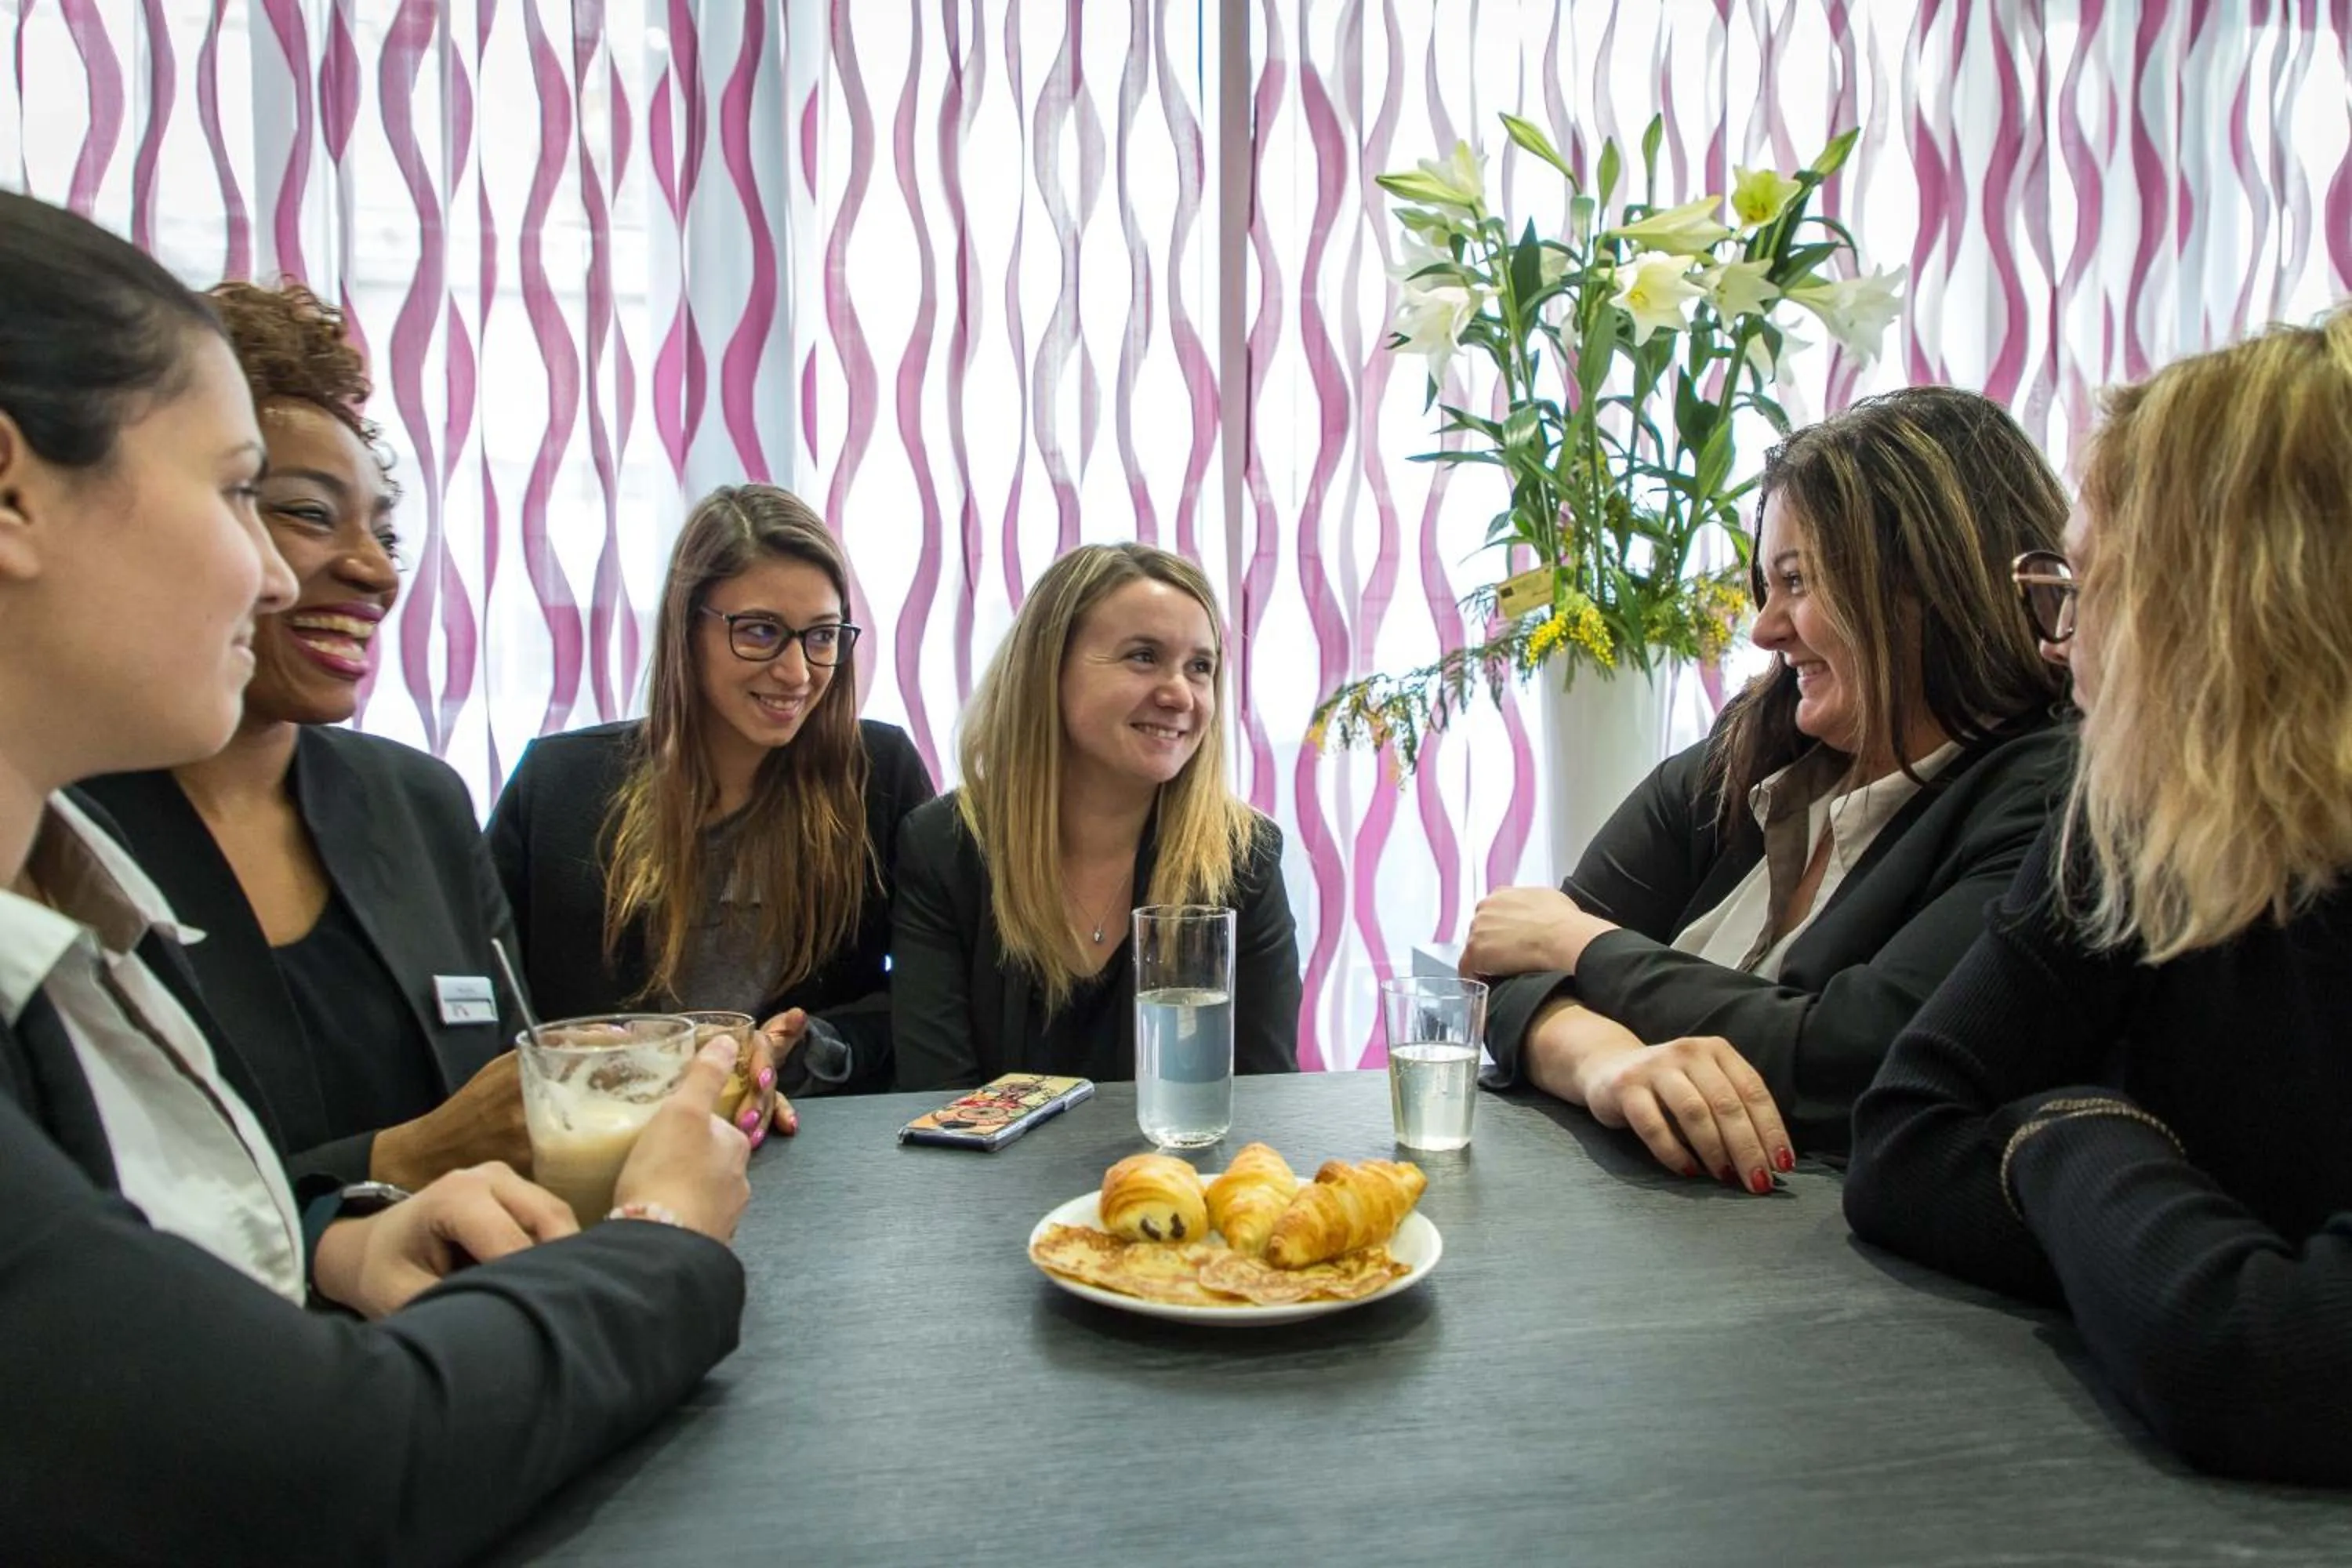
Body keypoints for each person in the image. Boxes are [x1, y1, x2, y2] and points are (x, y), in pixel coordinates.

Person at [0, 189, 750, 1564]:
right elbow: (324, 1466)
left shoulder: (399, 804)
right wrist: (664, 1236)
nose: (302, 578)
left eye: (383, 529)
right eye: (249, 498)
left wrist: (342, 1242)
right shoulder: (72, 883)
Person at [81, 281, 790, 1192]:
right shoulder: (58, 834)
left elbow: (514, 1101)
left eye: (384, 532)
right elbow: (93, 1217)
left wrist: (655, 1075)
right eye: (308, 512)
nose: (375, 571)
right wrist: (400, 1160)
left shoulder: (418, 803)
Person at [1844, 309, 2352, 1485]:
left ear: (2234, 614)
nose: (2059, 643)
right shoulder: (2136, 823)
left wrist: (2067, 1131)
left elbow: (2269, 1364)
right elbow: (1903, 1136)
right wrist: (2173, 1264)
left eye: (2091, 587)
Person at [1461, 387, 2072, 1189]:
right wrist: (1603, 1063)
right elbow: (1507, 967)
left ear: (1928, 585)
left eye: (1798, 581)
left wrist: (1581, 947)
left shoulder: (2047, 800)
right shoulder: (1751, 747)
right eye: (1767, 583)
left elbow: (1854, 1059)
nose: (1763, 626)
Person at [488, 484, 934, 1095]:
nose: (797, 673)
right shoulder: (558, 786)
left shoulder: (878, 776)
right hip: (607, 1130)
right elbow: (485, 1002)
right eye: (760, 631)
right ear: (687, 627)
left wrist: (812, 1047)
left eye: (822, 636)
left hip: (808, 1135)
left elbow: (928, 1003)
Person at [891, 543, 1301, 1089]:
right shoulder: (945, 847)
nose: (1180, 695)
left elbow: (1264, 1093)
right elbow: (938, 1099)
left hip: (1190, 1152)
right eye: (1143, 656)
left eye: (1200, 667)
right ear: (1047, 669)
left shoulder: (1243, 856)